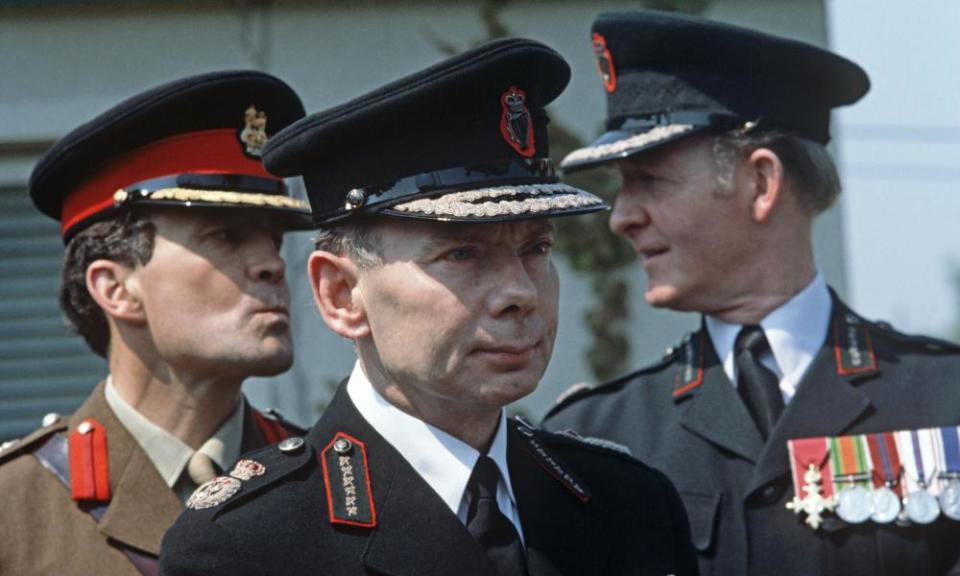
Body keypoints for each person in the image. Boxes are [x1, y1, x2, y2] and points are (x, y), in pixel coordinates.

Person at [160, 38, 698, 576]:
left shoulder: (629, 504)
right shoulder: (250, 548)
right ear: (341, 295)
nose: (520, 293)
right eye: (462, 253)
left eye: (536, 248)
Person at [542, 10, 960, 576]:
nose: (621, 217)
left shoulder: (944, 398)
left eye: (649, 180)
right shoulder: (596, 437)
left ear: (761, 183)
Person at [0, 71, 312, 575]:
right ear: (116, 288)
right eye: (227, 237)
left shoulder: (328, 486)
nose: (272, 264)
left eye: (273, 240)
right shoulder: (14, 511)